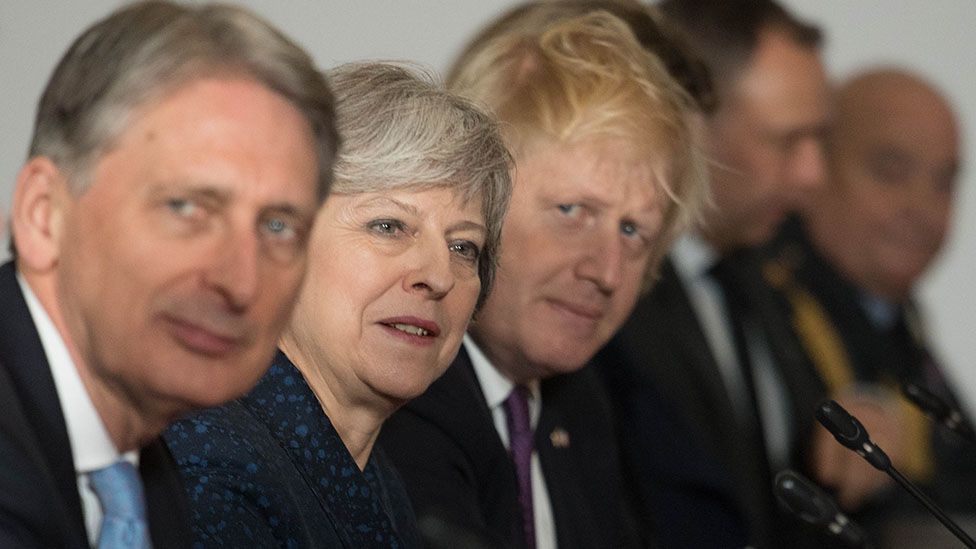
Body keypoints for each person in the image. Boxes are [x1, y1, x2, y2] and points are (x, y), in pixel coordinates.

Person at [0, 2, 337, 548]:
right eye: (186, 208)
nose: (241, 283)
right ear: (44, 216)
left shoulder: (149, 475)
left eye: (278, 227)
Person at [380, 10, 706, 549]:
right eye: (572, 211)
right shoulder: (405, 389)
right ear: (476, 201)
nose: (605, 270)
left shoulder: (580, 405)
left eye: (633, 231)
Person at [164, 62, 512, 548]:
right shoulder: (210, 467)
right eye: (389, 226)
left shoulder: (378, 480)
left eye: (463, 247)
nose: (437, 275)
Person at [594, 0, 832, 546]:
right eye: (786, 140)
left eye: (821, 140)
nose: (813, 174)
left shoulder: (773, 274)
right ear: (692, 121)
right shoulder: (606, 291)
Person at [763, 68, 976, 543]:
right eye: (890, 171)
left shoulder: (898, 317)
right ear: (817, 164)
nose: (922, 209)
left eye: (944, 182)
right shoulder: (761, 299)